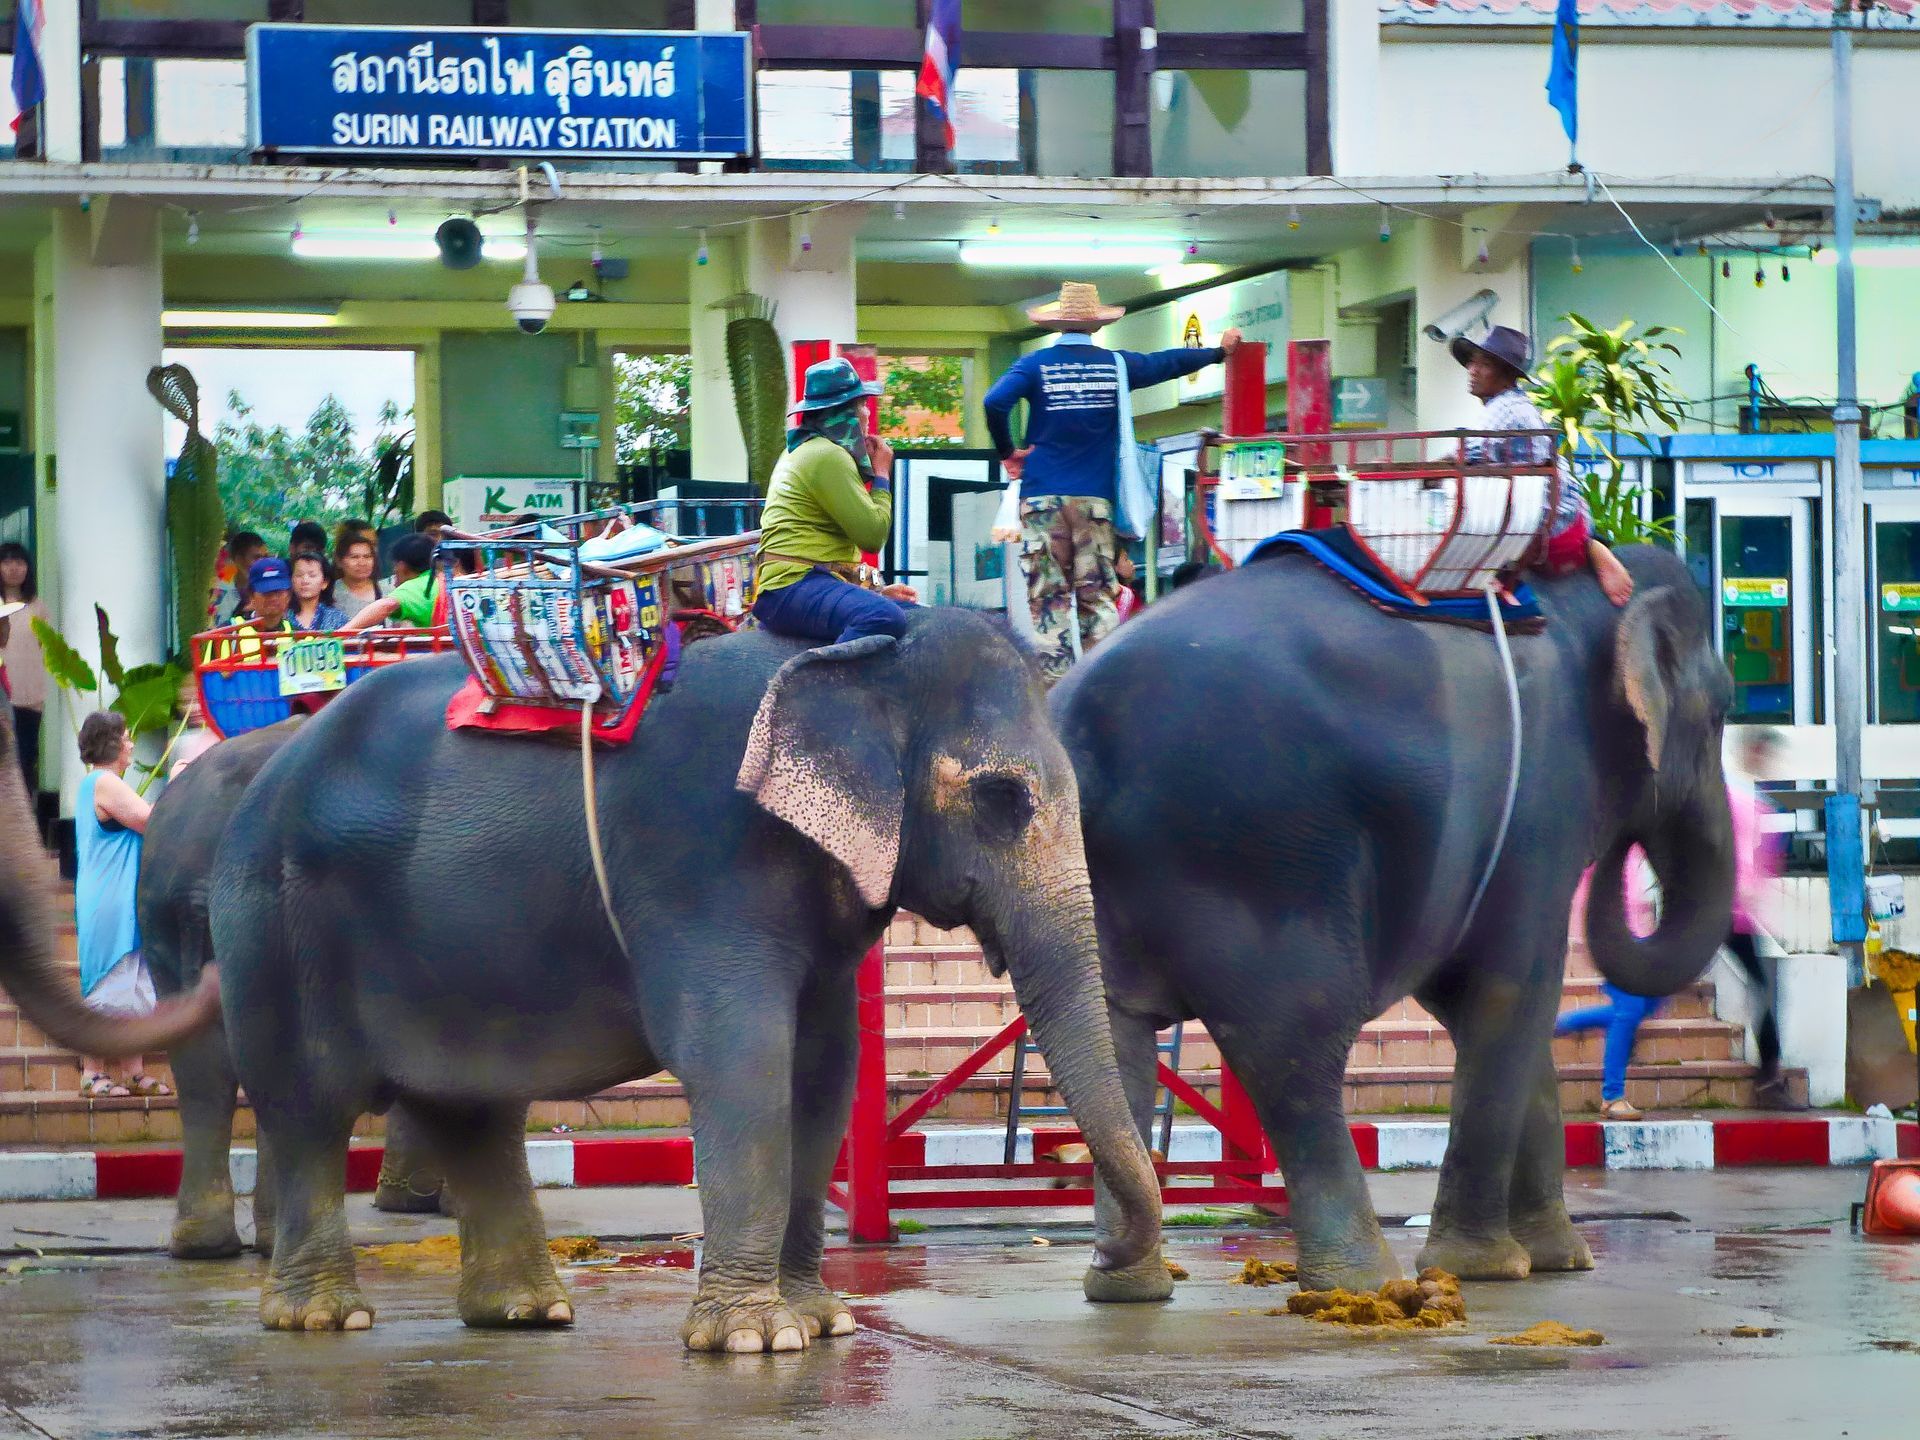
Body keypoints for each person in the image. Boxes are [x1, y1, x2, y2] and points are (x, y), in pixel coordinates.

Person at [984, 281, 1241, 682]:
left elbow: (994, 402)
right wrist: (1217, 353)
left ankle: (1054, 698)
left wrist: (1007, 451)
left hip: (1041, 503)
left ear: (1057, 326)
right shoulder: (1116, 366)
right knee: (1097, 600)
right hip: (1094, 504)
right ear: (1097, 326)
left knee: (1048, 602)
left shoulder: (1034, 366)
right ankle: (1095, 692)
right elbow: (1166, 362)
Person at [1451, 325, 1634, 608]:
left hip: (1544, 526)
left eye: (1484, 364)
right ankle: (1592, 544)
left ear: (1507, 376)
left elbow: (1460, 456)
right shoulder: (1512, 407)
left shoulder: (1506, 409)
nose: (1473, 369)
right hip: (1561, 516)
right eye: (1472, 361)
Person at [751, 356, 918, 646]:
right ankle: (822, 685)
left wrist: (872, 593)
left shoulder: (808, 449)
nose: (868, 414)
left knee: (909, 613)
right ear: (846, 414)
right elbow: (873, 536)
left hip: (806, 583)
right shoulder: (827, 455)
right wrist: (881, 474)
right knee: (883, 618)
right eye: (862, 405)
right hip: (793, 587)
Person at [72, 711, 170, 1099]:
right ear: (111, 744)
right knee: (108, 981)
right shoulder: (103, 782)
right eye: (126, 738)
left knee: (132, 981)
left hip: (117, 897)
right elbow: (151, 820)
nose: (130, 745)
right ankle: (92, 1072)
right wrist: (179, 781)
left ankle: (132, 1070)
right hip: (109, 900)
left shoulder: (97, 784)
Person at [1725, 728, 1800, 1109]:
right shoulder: (1734, 797)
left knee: (1762, 986)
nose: (1766, 762)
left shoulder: (1757, 803)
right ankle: (1768, 1081)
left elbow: (1762, 864)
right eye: (1762, 754)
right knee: (1763, 987)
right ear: (1750, 754)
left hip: (1737, 913)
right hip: (1725, 910)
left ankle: (1769, 1077)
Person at [1556, 852, 1660, 1120]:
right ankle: (1612, 1097)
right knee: (1628, 1012)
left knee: (1651, 1003)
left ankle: (1552, 1025)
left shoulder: (1632, 840)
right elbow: (1580, 886)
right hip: (1612, 941)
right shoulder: (1602, 842)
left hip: (1639, 940)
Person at [0, 541, 49, 796]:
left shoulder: (37, 606)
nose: (13, 568)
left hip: (30, 696)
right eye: (7, 562)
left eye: (20, 562)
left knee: (25, 759)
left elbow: (44, 644)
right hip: (2, 695)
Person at [341, 532, 443, 630]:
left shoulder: (419, 587)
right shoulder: (443, 580)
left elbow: (386, 606)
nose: (394, 571)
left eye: (395, 565)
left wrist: (342, 633)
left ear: (402, 567)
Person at [211, 556, 298, 661]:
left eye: (279, 591)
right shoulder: (226, 634)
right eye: (266, 592)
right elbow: (208, 676)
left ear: (289, 595)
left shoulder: (299, 636)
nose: (273, 598)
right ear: (251, 596)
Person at [212, 531, 268, 626]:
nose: (262, 563)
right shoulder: (220, 587)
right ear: (239, 559)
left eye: (265, 557)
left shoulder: (266, 585)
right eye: (256, 558)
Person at [288, 552, 350, 632]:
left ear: (325, 583)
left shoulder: (337, 618)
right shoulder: (283, 616)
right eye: (299, 575)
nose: (305, 581)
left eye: (312, 575)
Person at [331, 531, 384, 616]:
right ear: (339, 561)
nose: (362, 563)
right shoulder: (329, 593)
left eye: (367, 557)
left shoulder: (388, 592)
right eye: (354, 557)